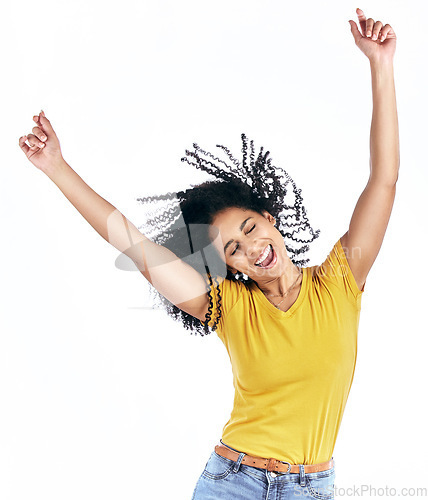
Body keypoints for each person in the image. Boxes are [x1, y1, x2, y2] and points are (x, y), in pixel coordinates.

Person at [18, 7, 399, 499]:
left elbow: (384, 180)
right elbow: (133, 244)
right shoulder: (230, 309)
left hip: (313, 488)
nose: (251, 249)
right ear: (229, 267)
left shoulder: (340, 284)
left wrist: (381, 66)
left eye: (250, 228)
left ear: (272, 219)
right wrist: (56, 166)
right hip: (231, 483)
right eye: (232, 250)